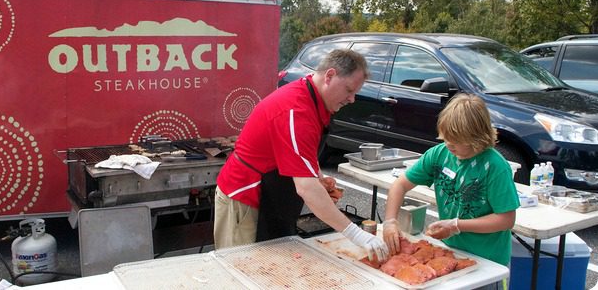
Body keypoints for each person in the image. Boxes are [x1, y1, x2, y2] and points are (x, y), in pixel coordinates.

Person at [213, 49, 389, 261]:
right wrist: (356, 234)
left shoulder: (313, 98)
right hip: (245, 200)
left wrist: (318, 177)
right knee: (242, 271)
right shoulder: (296, 110)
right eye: (349, 90)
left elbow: (300, 150)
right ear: (330, 76)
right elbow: (305, 188)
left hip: (270, 195)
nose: (351, 99)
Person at [383, 93, 519, 270]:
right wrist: (390, 221)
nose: (448, 145)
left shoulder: (495, 166)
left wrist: (456, 225)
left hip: (488, 259)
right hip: (450, 250)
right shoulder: (439, 154)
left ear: (475, 138)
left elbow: (506, 220)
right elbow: (400, 185)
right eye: (445, 138)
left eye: (455, 140)